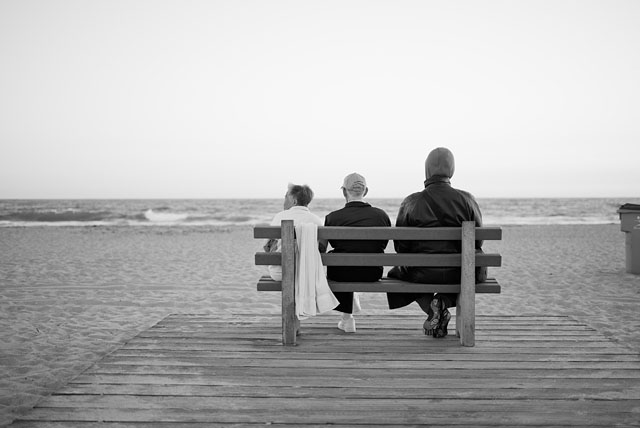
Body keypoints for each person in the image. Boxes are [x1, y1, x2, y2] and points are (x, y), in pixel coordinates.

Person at [387, 147, 487, 338]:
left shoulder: (411, 201)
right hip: (460, 272)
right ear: (452, 170)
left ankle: (433, 308)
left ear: (427, 170)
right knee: (470, 269)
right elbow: (478, 240)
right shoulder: (467, 199)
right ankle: (441, 301)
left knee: (396, 273)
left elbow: (401, 246)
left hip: (421, 273)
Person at [320, 173, 391, 333]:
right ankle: (347, 318)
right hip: (372, 273)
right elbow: (382, 244)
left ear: (344, 192)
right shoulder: (382, 216)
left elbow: (324, 248)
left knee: (340, 258)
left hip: (340, 274)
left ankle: (347, 318)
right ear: (365, 192)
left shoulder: (332, 218)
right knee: (349, 257)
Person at [265, 183, 323, 281]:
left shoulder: (279, 217)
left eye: (286, 197)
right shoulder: (316, 220)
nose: (284, 201)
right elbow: (321, 249)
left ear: (294, 201)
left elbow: (268, 247)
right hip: (307, 274)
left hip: (279, 273)